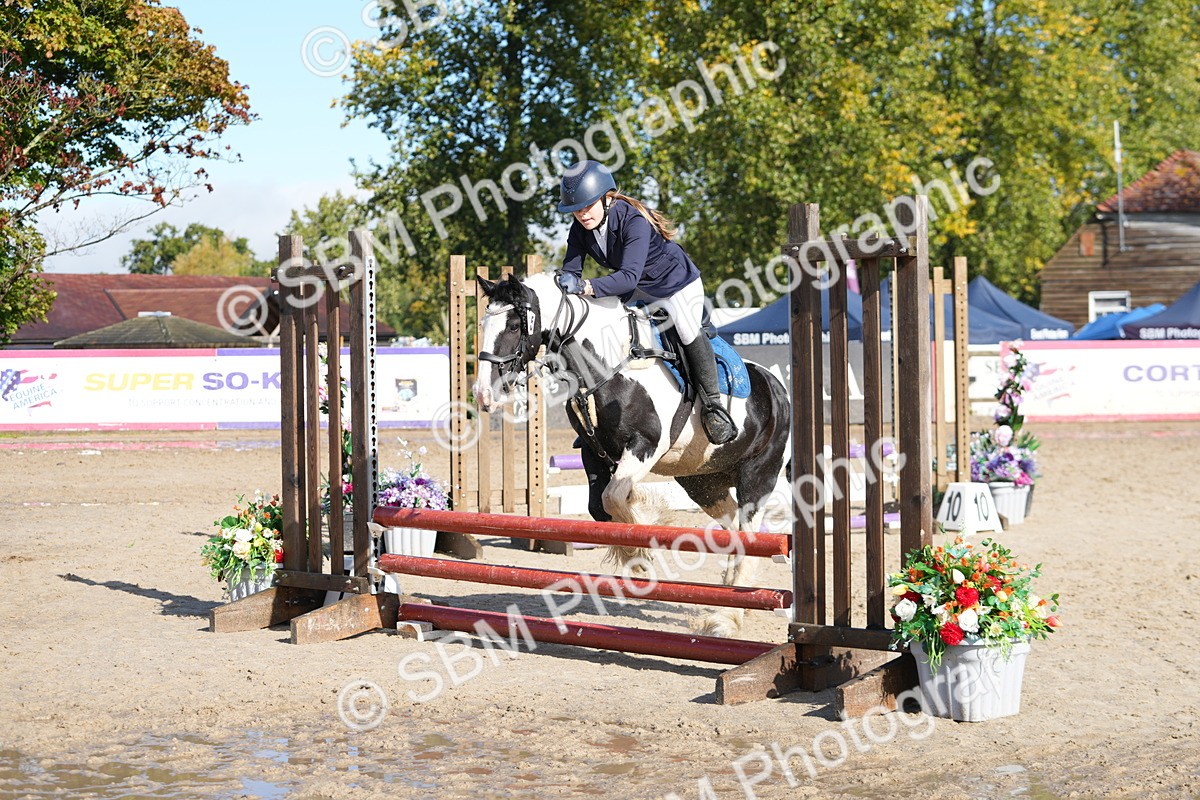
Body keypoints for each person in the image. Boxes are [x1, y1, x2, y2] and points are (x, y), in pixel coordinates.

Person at [555, 160, 736, 445]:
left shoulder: (633, 221)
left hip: (675, 282)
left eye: (587, 206)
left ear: (607, 197)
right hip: (639, 288)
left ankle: (714, 408)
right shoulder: (579, 229)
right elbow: (572, 270)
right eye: (576, 209)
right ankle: (599, 422)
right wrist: (564, 280)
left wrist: (586, 286)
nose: (581, 214)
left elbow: (626, 277)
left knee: (687, 329)